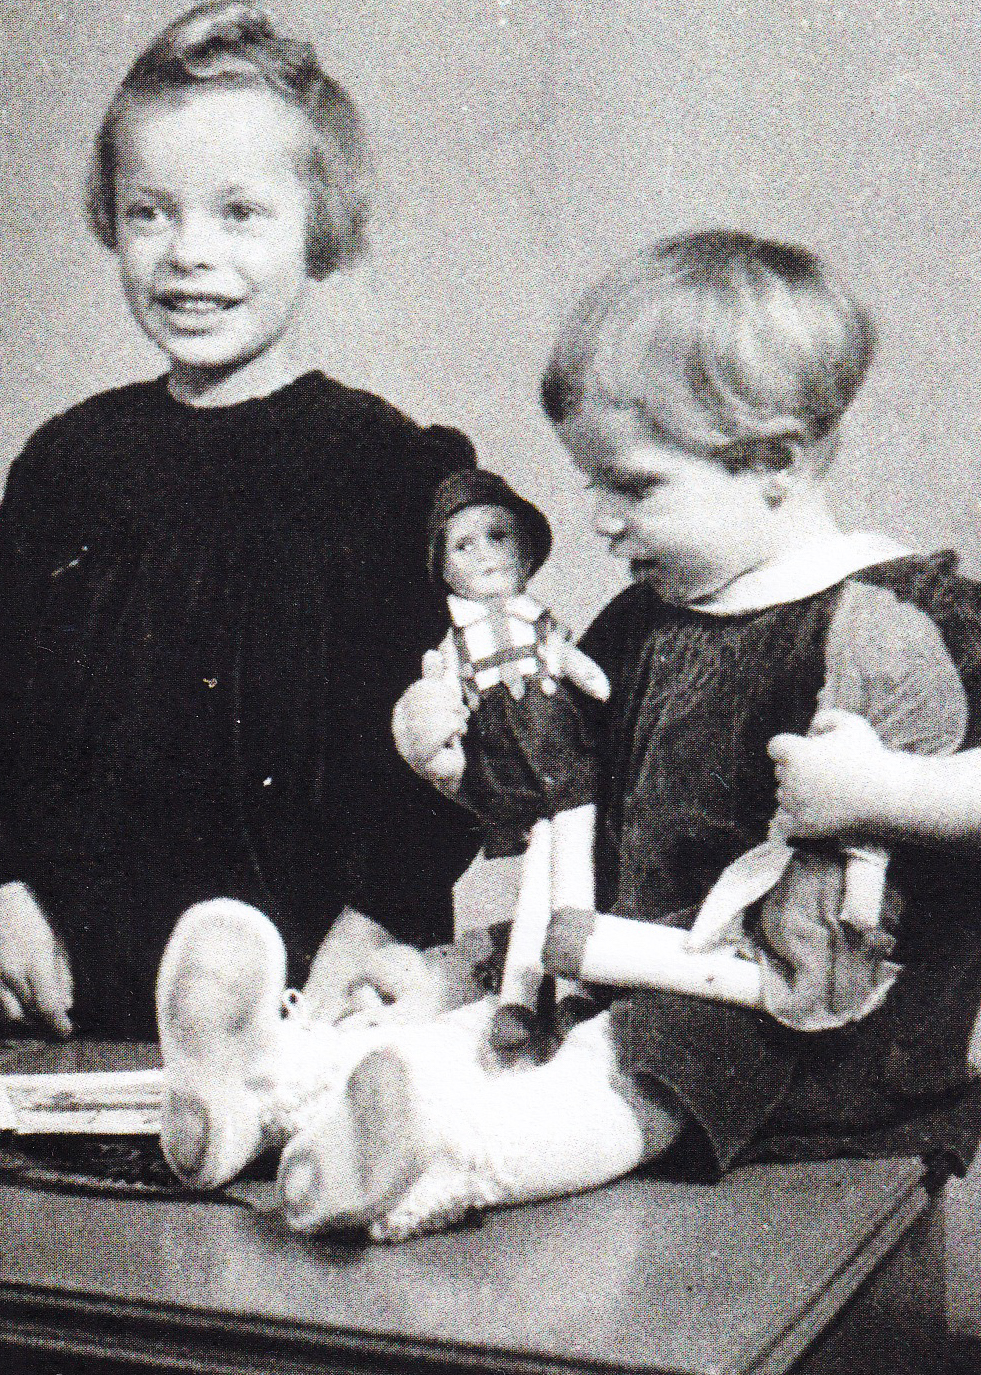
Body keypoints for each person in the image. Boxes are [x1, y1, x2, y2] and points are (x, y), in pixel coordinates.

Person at [164, 228, 981, 1242]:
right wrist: (452, 763)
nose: (596, 518)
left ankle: (456, 1155)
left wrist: (887, 794)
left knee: (629, 1057)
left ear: (773, 461)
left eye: (632, 486)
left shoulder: (910, 609)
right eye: (592, 484)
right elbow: (561, 789)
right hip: (617, 962)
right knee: (482, 1017)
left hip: (794, 1020)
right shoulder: (643, 621)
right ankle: (269, 1094)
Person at [0, 1, 476, 1044]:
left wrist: (372, 931)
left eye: (239, 214)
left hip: (322, 985)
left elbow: (444, 759)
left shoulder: (388, 469)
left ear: (318, 225)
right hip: (89, 988)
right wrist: (4, 889)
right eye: (150, 213)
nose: (188, 253)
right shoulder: (67, 465)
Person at [414, 467, 609, 1054]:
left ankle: (546, 994)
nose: (484, 554)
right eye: (463, 545)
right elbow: (441, 705)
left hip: (565, 759)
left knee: (568, 865)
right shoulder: (454, 646)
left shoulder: (541, 625)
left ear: (524, 549)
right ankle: (534, 995)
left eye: (498, 536)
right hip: (507, 773)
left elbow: (583, 674)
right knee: (539, 872)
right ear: (444, 568)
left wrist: (592, 681)